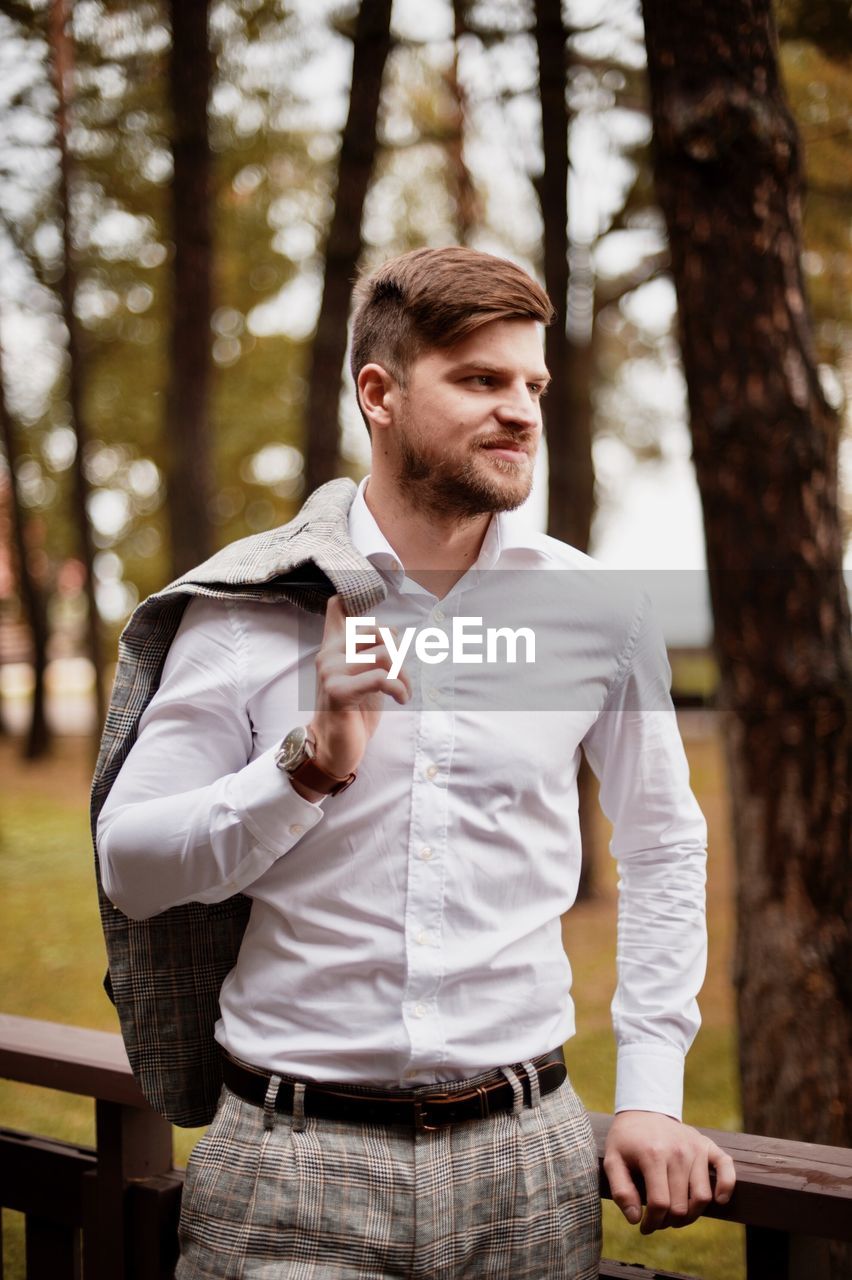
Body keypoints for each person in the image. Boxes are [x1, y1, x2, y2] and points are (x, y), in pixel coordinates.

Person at [96, 246, 735, 1279]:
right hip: (292, 1175)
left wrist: (654, 1092)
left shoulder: (597, 610)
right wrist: (307, 762)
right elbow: (131, 860)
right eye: (481, 379)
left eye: (532, 384)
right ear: (379, 393)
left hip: (532, 1166)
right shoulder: (250, 606)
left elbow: (664, 845)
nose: (521, 410)